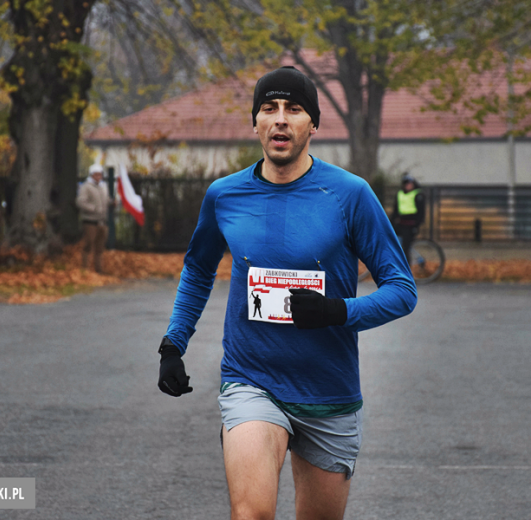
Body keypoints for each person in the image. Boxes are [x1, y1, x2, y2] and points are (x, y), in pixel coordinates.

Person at [157, 66, 417, 520]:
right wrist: (173, 343)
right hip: (251, 380)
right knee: (251, 513)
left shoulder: (350, 195)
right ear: (255, 122)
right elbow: (197, 271)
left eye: (294, 110)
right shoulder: (224, 196)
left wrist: (338, 311)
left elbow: (402, 290)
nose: (280, 119)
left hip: (328, 390)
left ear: (312, 124)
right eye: (269, 109)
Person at [76, 164, 112, 273]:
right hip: (90, 221)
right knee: (88, 244)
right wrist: (93, 208)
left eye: (100, 174)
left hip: (102, 220)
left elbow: (105, 200)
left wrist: (111, 202)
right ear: (91, 175)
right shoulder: (86, 187)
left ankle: (99, 269)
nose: (98, 177)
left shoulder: (103, 186)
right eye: (96, 175)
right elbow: (80, 202)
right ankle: (85, 268)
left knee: (100, 247)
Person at [392, 173, 425, 264]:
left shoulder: (418, 195)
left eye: (410, 183)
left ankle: (407, 272)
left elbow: (421, 213)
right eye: (406, 184)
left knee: (406, 248)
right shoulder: (400, 194)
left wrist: (416, 226)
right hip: (401, 223)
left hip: (410, 225)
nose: (408, 185)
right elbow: (395, 211)